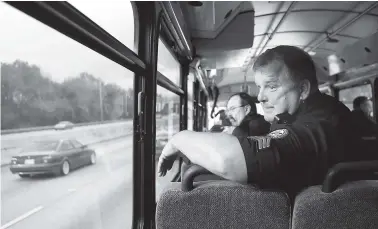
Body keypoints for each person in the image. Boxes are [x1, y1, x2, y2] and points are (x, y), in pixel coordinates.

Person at [157, 45, 364, 195]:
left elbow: (236, 160)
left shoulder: (320, 124)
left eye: (272, 86)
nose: (261, 97)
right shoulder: (295, 115)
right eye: (259, 87)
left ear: (302, 89)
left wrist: (179, 138)